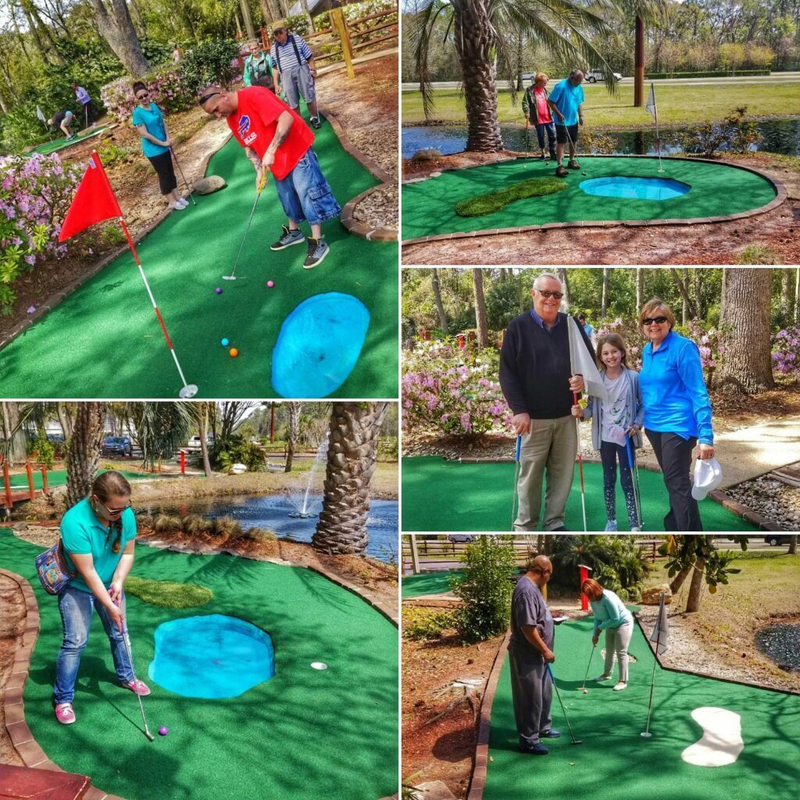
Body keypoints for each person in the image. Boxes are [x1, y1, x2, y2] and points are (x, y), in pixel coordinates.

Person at [199, 84, 340, 269]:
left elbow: (286, 118)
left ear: (223, 95)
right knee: (287, 197)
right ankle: (294, 232)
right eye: (213, 114)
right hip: (276, 161)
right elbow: (248, 146)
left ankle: (317, 241)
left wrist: (271, 150)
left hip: (296, 150)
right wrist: (259, 170)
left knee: (307, 195)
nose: (218, 115)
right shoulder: (231, 118)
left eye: (216, 109)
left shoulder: (254, 95)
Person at [53, 471, 149, 726]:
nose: (122, 513)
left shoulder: (124, 514)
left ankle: (127, 677)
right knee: (76, 641)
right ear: (96, 500)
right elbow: (88, 573)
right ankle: (63, 698)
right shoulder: (74, 522)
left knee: (120, 632)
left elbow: (128, 553)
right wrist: (110, 606)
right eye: (115, 510)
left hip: (109, 582)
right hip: (77, 586)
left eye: (125, 507)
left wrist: (118, 581)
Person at [500, 272, 594, 531]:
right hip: (533, 419)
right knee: (530, 476)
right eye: (545, 293)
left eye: (557, 295)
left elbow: (589, 360)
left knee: (562, 474)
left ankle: (554, 522)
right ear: (533, 294)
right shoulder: (518, 327)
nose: (551, 299)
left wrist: (581, 379)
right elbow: (507, 373)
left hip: (566, 415)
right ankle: (526, 525)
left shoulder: (571, 325)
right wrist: (519, 410)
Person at [638, 298, 715, 531]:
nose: (654, 324)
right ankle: (675, 525)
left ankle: (689, 535)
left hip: (678, 426)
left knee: (677, 482)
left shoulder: (683, 348)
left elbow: (698, 391)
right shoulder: (647, 350)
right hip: (654, 426)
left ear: (669, 321)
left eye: (660, 319)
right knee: (673, 481)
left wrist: (706, 437)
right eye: (648, 320)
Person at [572, 332, 643, 532]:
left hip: (626, 437)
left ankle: (634, 522)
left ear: (622, 353)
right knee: (608, 479)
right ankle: (611, 520)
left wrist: (637, 425)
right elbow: (591, 408)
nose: (610, 356)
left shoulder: (633, 378)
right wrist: (580, 413)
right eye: (605, 353)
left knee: (628, 480)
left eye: (614, 351)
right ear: (600, 357)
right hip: (605, 439)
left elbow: (643, 405)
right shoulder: (596, 381)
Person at [509, 555, 559, 755]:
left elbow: (537, 618)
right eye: (550, 574)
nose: (550, 578)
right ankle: (528, 739)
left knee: (544, 693)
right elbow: (527, 628)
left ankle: (542, 727)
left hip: (538, 655)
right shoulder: (526, 591)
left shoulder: (533, 588)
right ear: (544, 572)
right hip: (528, 653)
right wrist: (545, 649)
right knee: (530, 697)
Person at [131, 81, 188, 211]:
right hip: (153, 150)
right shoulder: (138, 113)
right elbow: (145, 134)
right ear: (136, 99)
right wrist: (162, 143)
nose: (144, 98)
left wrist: (168, 138)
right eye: (141, 97)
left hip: (164, 144)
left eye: (146, 95)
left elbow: (163, 123)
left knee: (170, 171)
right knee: (163, 174)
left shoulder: (154, 106)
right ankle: (171, 201)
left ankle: (177, 196)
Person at [582, 578, 634, 692]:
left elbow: (616, 618)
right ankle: (606, 674)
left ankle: (622, 680)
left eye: (589, 595)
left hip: (623, 623)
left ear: (595, 590)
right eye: (587, 595)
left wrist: (600, 628)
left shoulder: (607, 598)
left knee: (621, 651)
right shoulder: (593, 600)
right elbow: (597, 618)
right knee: (609, 650)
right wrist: (595, 634)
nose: (588, 598)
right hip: (609, 623)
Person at [270, 21, 322, 129]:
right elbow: (274, 67)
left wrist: (313, 69)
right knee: (291, 100)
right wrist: (276, 84)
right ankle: (299, 122)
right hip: (285, 74)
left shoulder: (297, 39)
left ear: (285, 30)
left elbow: (309, 56)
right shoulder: (273, 48)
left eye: (280, 32)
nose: (278, 35)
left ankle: (314, 117)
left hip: (301, 69)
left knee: (309, 94)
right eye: (276, 34)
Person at [548, 69, 585, 178]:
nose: (579, 84)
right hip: (561, 121)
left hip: (573, 119)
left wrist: (581, 115)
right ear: (571, 78)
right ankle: (559, 166)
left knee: (574, 141)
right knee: (562, 142)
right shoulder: (561, 86)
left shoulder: (579, 87)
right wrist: (559, 114)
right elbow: (550, 101)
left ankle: (571, 161)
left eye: (580, 82)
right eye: (578, 81)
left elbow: (579, 103)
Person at [522, 72, 556, 161]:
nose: (545, 84)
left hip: (548, 117)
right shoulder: (530, 91)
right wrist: (526, 112)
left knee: (552, 135)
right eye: (543, 83)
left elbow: (552, 102)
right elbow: (525, 102)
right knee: (540, 136)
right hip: (538, 118)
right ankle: (543, 153)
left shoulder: (546, 91)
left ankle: (553, 152)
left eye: (545, 83)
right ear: (538, 82)